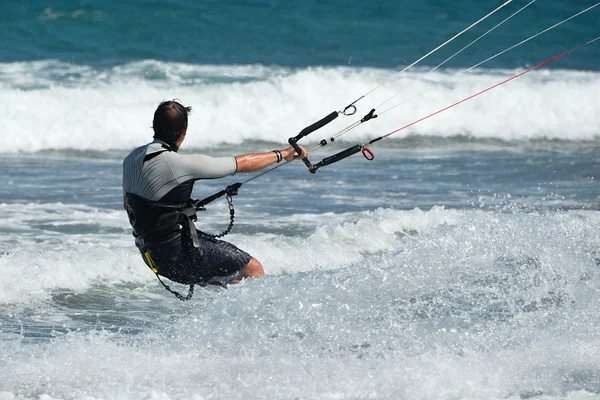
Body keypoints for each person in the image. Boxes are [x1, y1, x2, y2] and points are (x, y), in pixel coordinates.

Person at [123, 100, 307, 295]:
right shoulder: (181, 164)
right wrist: (283, 154)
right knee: (252, 269)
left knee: (228, 280)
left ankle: (217, 322)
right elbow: (240, 164)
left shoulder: (130, 160)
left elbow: (130, 205)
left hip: (152, 257)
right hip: (179, 257)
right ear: (184, 132)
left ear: (154, 125)